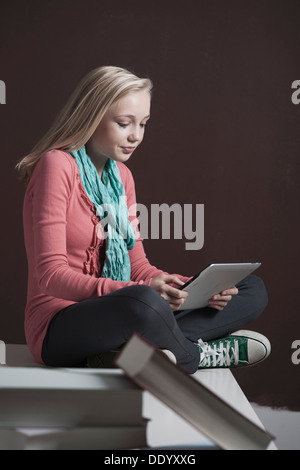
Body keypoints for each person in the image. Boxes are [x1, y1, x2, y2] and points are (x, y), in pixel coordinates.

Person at [16, 66, 270, 374]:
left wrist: (188, 288)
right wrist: (141, 291)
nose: (135, 135)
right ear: (92, 115)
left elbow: (139, 267)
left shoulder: (121, 176)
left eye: (143, 124)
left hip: (125, 312)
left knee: (249, 289)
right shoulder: (56, 165)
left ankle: (126, 353)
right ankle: (196, 356)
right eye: (124, 123)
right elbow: (50, 275)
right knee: (142, 302)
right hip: (59, 325)